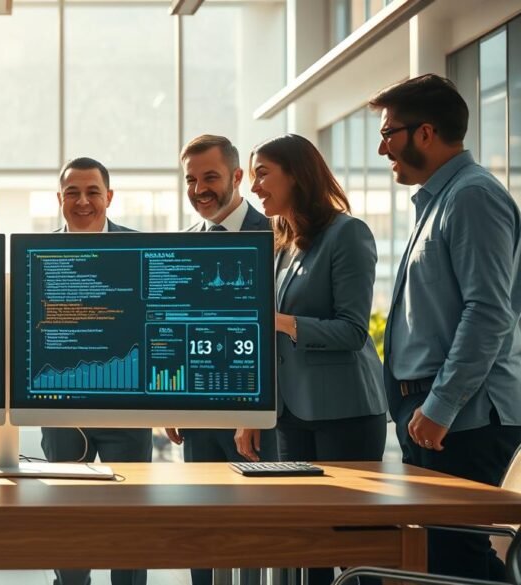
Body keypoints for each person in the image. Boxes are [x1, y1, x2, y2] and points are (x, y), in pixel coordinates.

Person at [370, 74, 521, 580]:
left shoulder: (473, 197)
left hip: (464, 418)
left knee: (460, 560)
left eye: (390, 133)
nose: (381, 147)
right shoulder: (437, 200)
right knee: (437, 559)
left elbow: (489, 313)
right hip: (435, 415)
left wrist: (440, 406)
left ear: (426, 133)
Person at [236, 133, 388, 585]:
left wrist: (280, 320)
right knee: (305, 540)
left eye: (263, 174)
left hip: (345, 414)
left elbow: (352, 330)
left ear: (297, 174)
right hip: (291, 414)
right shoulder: (285, 242)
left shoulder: (348, 234)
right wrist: (253, 414)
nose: (255, 186)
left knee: (351, 544)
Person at [165, 134, 276, 585]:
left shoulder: (274, 234)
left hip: (252, 413)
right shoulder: (188, 241)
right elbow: (178, 327)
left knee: (249, 529)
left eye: (209, 177)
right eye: (190, 180)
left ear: (237, 177)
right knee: (202, 526)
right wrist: (173, 402)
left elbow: (274, 330)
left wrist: (254, 410)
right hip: (198, 412)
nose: (198, 189)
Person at [42, 156, 149, 585]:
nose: (83, 201)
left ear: (109, 196)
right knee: (68, 525)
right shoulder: (38, 252)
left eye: (92, 192)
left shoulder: (140, 248)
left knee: (129, 525)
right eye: (73, 192)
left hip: (127, 412)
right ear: (59, 199)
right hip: (61, 413)